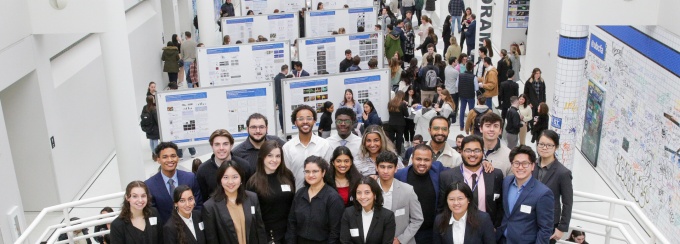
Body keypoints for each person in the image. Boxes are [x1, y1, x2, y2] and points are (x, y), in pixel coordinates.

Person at [439, 135, 505, 228]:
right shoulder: (447, 176)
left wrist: (495, 228)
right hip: (458, 230)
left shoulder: (495, 174)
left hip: (487, 230)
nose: (472, 154)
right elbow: (442, 208)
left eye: (477, 150)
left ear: (483, 152)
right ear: (461, 152)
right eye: (468, 150)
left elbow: (500, 206)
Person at [497, 145, 554, 244]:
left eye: (525, 164)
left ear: (532, 166)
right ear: (511, 165)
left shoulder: (543, 193)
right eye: (516, 163)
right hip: (502, 239)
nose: (520, 167)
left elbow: (545, 229)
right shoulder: (506, 182)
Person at [202, 162, 267, 243]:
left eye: (235, 177)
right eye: (226, 177)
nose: (230, 182)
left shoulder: (252, 198)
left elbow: (260, 229)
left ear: (241, 179)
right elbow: (212, 239)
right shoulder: (210, 207)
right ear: (220, 180)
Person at [245, 140, 296, 243]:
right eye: (270, 155)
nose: (274, 160)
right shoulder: (253, 182)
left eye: (278, 156)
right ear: (262, 156)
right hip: (269, 236)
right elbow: (253, 217)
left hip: (289, 233)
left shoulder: (287, 175)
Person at [394, 144, 446, 243]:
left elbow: (460, 171)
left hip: (431, 232)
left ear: (432, 160)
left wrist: (483, 163)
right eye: (418, 159)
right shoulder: (399, 175)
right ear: (412, 159)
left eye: (426, 160)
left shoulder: (438, 169)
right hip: (406, 233)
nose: (422, 163)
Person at [286, 156, 345, 243]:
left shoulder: (333, 198)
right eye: (307, 171)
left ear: (323, 172)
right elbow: (292, 223)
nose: (310, 175)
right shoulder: (300, 193)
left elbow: (335, 232)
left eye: (315, 171)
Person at [145, 142, 203, 226]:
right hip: (164, 233)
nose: (170, 160)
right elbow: (152, 214)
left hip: (191, 229)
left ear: (178, 157)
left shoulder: (190, 178)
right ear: (158, 160)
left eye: (173, 156)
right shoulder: (150, 185)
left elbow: (198, 205)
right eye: (165, 157)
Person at [533, 130, 574, 242]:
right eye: (541, 144)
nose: (544, 148)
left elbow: (567, 202)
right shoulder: (532, 166)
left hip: (549, 223)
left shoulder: (563, 173)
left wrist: (561, 228)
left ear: (556, 147)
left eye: (549, 145)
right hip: (530, 219)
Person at [374, 152, 423, 244]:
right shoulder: (369, 190)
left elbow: (417, 219)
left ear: (396, 168)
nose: (385, 171)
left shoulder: (408, 190)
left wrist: (401, 239)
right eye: (382, 167)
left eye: (390, 167)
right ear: (376, 167)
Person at [283, 105, 334, 189]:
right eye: (301, 119)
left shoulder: (324, 145)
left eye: (309, 118)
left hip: (320, 196)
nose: (305, 121)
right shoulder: (287, 148)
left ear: (314, 121)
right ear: (295, 122)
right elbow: (285, 176)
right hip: (296, 197)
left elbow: (328, 173)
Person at [197, 129, 254, 201]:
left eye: (225, 144)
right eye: (217, 144)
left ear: (231, 145)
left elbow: (249, 193)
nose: (221, 148)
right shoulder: (203, 170)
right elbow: (203, 198)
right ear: (212, 146)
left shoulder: (244, 166)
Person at [339, 176, 396, 243]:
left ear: (375, 194)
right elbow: (345, 241)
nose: (362, 197)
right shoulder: (348, 213)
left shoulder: (387, 216)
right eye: (359, 192)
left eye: (367, 192)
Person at [457, 61, 477, 131]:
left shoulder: (460, 75)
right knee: (471, 111)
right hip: (471, 95)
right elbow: (476, 88)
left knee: (462, 109)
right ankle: (471, 125)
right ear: (472, 68)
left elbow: (457, 85)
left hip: (462, 95)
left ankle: (461, 126)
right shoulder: (473, 77)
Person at [275, 64, 289, 129]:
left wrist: (276, 101)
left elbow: (276, 90)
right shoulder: (283, 78)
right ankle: (285, 128)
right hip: (284, 99)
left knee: (281, 114)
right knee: (284, 114)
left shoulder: (276, 77)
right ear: (286, 69)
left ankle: (282, 128)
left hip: (279, 99)